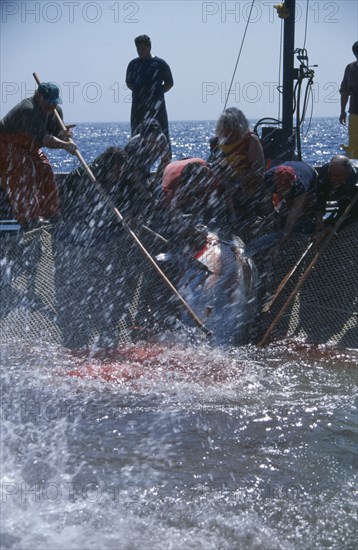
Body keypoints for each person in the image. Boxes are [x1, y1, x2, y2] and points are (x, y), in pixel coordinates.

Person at [0, 82, 77, 227]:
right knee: (24, 168)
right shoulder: (28, 110)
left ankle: (51, 214)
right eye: (48, 102)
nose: (52, 106)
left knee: (45, 169)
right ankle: (29, 218)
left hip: (29, 148)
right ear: (38, 96)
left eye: (54, 102)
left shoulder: (56, 111)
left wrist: (64, 135)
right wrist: (65, 145)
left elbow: (56, 134)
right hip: (5, 146)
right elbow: (46, 140)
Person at [209, 107, 274, 240]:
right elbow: (216, 165)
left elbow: (258, 169)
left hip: (249, 182)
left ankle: (258, 224)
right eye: (226, 127)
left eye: (233, 127)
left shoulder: (250, 140)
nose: (229, 131)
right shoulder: (216, 142)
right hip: (226, 181)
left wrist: (239, 183)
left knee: (241, 191)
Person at [125, 34, 174, 148]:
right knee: (136, 134)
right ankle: (136, 160)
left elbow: (169, 83)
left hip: (157, 106)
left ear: (149, 47)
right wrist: (141, 93)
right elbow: (128, 83)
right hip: (138, 106)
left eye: (143, 48)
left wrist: (156, 93)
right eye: (138, 49)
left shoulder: (160, 64)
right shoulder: (133, 64)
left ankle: (166, 160)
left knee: (162, 133)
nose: (140, 51)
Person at [264, 160, 317, 244]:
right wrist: (273, 217)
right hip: (289, 164)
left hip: (309, 173)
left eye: (285, 188)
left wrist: (284, 237)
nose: (282, 191)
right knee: (277, 216)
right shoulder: (269, 177)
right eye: (280, 188)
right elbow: (266, 202)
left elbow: (293, 216)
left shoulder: (301, 186)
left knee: (301, 211)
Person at [123, 118, 171, 209]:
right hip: (128, 178)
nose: (153, 146)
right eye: (149, 142)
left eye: (154, 142)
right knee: (139, 201)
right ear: (142, 137)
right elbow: (133, 179)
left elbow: (165, 160)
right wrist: (149, 198)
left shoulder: (161, 139)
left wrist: (155, 181)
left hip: (146, 173)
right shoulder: (132, 148)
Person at [314, 155, 358, 238]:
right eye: (330, 174)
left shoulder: (354, 181)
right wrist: (319, 220)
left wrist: (330, 228)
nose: (332, 178)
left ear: (347, 173)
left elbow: (348, 212)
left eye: (337, 176)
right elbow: (319, 198)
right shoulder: (325, 172)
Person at [339, 41, 358, 159]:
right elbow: (344, 91)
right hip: (355, 112)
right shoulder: (350, 68)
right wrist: (342, 111)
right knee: (354, 145)